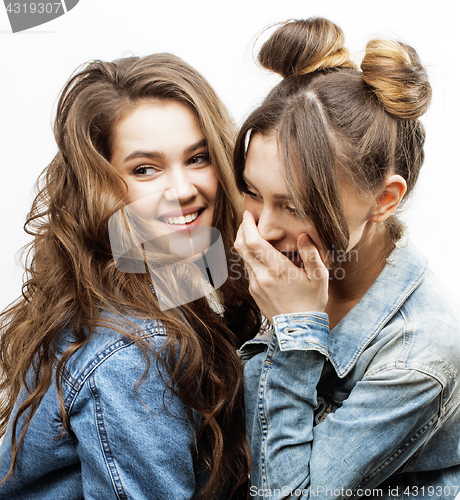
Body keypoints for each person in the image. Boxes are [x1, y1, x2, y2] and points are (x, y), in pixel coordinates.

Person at [0, 53, 259, 499]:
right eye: (145, 169)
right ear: (101, 189)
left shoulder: (168, 280)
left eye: (198, 158)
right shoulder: (133, 354)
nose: (182, 190)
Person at [233, 17, 460, 499]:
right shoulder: (266, 246)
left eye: (294, 204)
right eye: (253, 192)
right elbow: (143, 281)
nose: (264, 229)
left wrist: (294, 331)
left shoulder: (420, 354)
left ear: (383, 199)